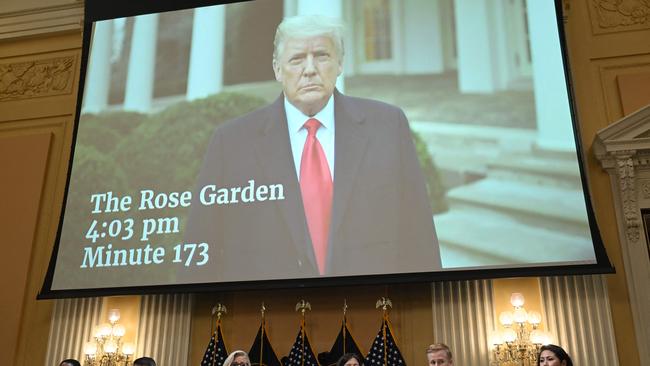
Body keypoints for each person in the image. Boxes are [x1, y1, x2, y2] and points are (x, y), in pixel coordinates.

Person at [186, 14, 440, 282]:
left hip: (373, 306)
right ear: (277, 69)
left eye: (321, 56)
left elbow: (419, 236)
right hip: (267, 313)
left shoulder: (388, 126)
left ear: (340, 63)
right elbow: (201, 250)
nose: (310, 69)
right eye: (296, 59)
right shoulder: (231, 142)